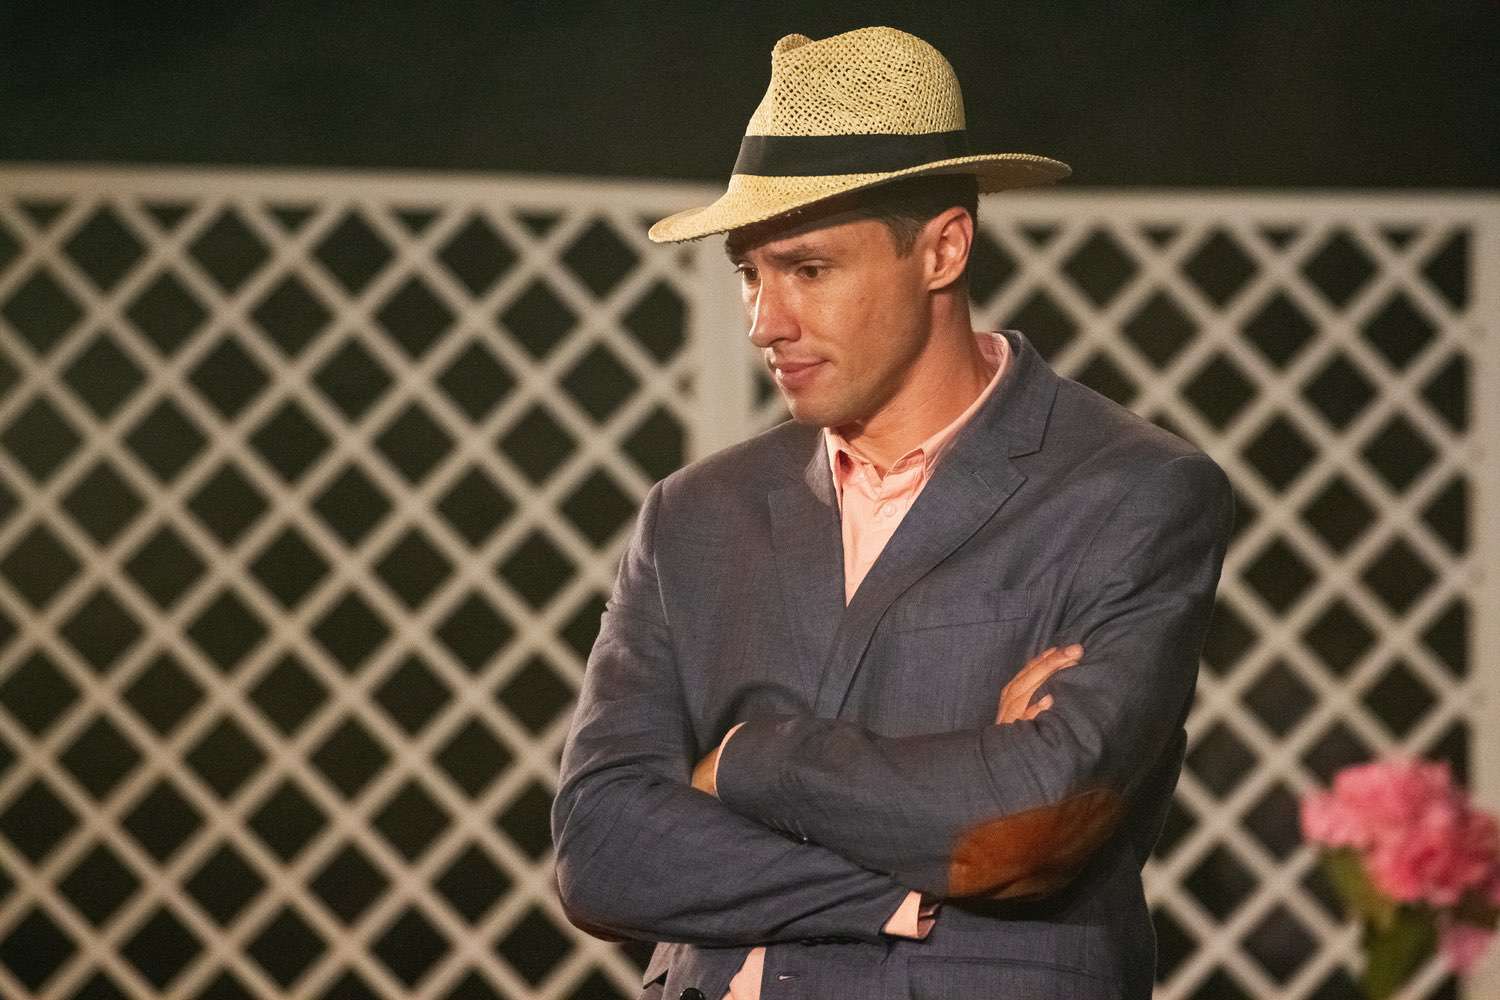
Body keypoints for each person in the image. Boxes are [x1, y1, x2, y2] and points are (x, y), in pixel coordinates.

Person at [552, 26, 1233, 1000]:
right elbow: (602, 849)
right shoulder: (695, 514)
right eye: (750, 272)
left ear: (945, 248)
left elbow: (1029, 822)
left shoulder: (1125, 491)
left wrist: (744, 762)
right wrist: (897, 882)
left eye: (809, 269)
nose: (765, 320)